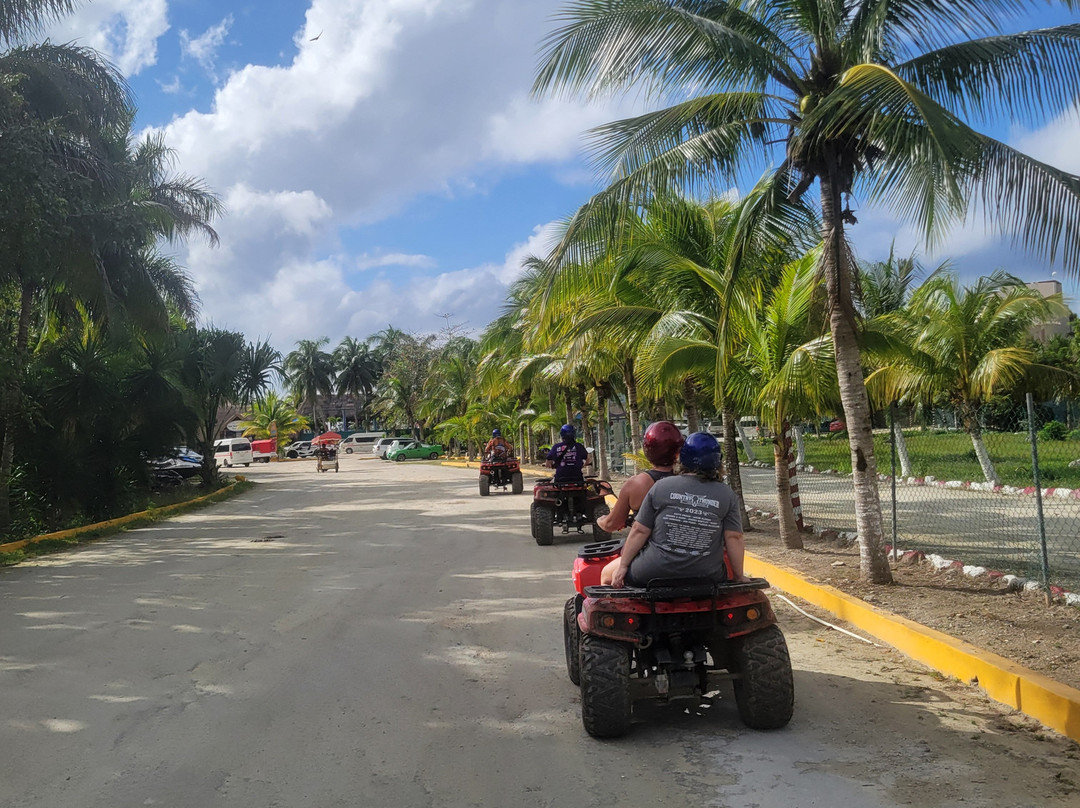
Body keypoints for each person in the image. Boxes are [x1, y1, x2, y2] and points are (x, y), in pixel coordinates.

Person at [604, 432, 748, 588]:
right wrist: (739, 576)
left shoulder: (661, 486)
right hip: (707, 577)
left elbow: (639, 530)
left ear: (681, 458)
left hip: (651, 573)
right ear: (717, 462)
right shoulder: (727, 495)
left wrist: (623, 566)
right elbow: (734, 537)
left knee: (606, 575)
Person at [596, 421, 683, 535]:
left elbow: (611, 524)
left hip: (649, 550)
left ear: (647, 449)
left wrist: (600, 520)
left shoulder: (636, 484)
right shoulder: (691, 481)